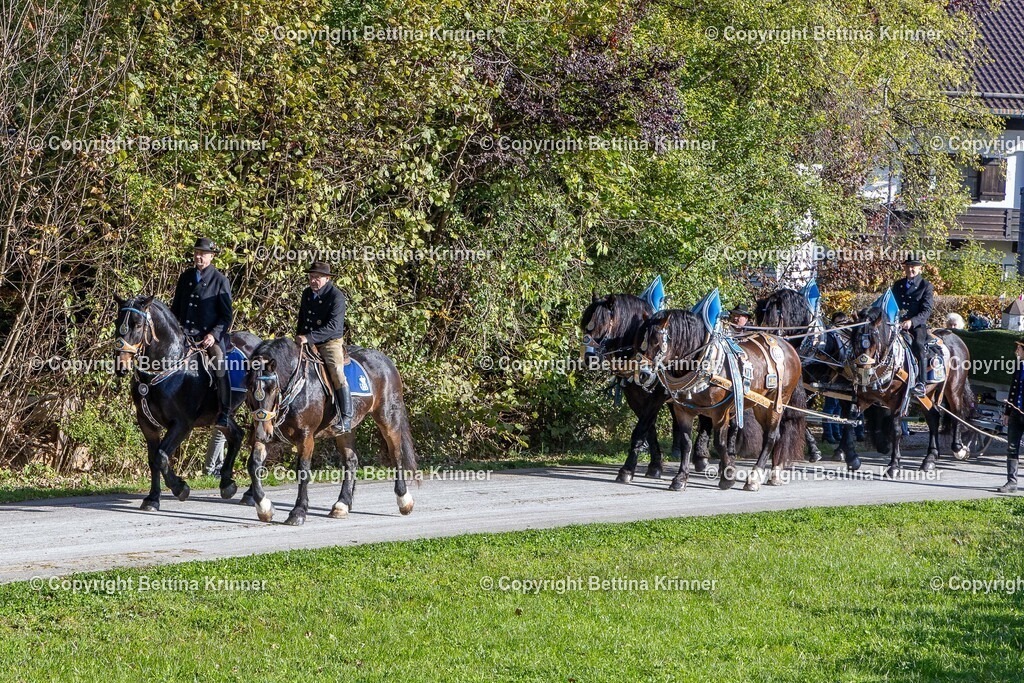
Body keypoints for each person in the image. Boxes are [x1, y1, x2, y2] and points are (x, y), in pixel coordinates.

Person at [170, 237, 233, 428]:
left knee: (219, 363)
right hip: (184, 335)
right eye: (197, 253)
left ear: (212, 256)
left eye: (203, 254)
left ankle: (225, 410)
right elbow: (175, 309)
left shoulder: (220, 281)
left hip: (208, 337)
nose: (199, 257)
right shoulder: (186, 277)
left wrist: (213, 335)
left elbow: (226, 316)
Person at [295, 261, 352, 432]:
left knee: (337, 372)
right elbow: (302, 319)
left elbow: (334, 327)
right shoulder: (306, 293)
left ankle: (346, 417)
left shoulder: (337, 296)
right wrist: (298, 338)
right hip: (307, 340)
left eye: (317, 278)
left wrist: (308, 338)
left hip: (330, 342)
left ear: (327, 278)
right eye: (311, 277)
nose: (313, 281)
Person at [891, 255, 934, 396]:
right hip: (897, 324)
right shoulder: (898, 285)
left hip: (916, 325)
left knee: (918, 345)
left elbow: (926, 311)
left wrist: (912, 322)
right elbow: (892, 304)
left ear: (920, 268)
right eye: (908, 266)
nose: (910, 269)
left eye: (913, 266)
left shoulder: (926, 286)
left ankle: (921, 383)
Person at [998, 339, 1024, 493]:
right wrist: (1007, 412)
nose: (1017, 351)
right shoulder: (1020, 366)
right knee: (1012, 447)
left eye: (1019, 348)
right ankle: (1011, 482)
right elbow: (1012, 391)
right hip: (1015, 414)